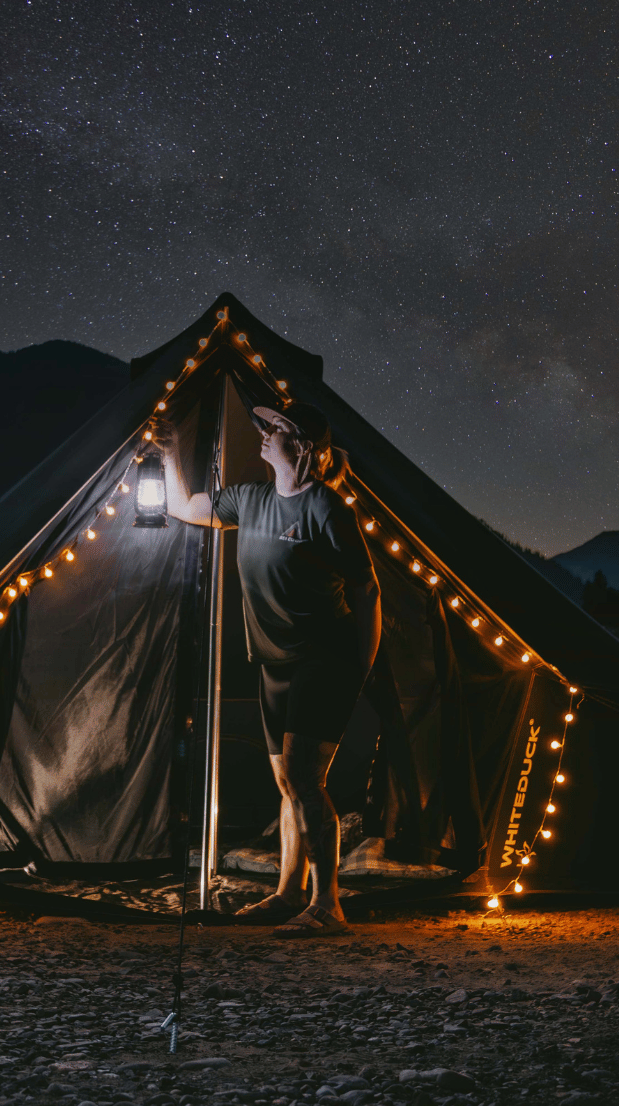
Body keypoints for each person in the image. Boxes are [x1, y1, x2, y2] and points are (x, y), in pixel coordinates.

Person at [154, 401, 381, 937]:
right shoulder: (250, 500)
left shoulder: (327, 508)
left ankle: (329, 905)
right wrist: (168, 453)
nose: (262, 435)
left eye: (273, 429)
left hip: (323, 660)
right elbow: (185, 505)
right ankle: (287, 895)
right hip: (272, 662)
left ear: (301, 445)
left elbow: (366, 588)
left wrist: (363, 662)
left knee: (304, 778)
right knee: (288, 783)